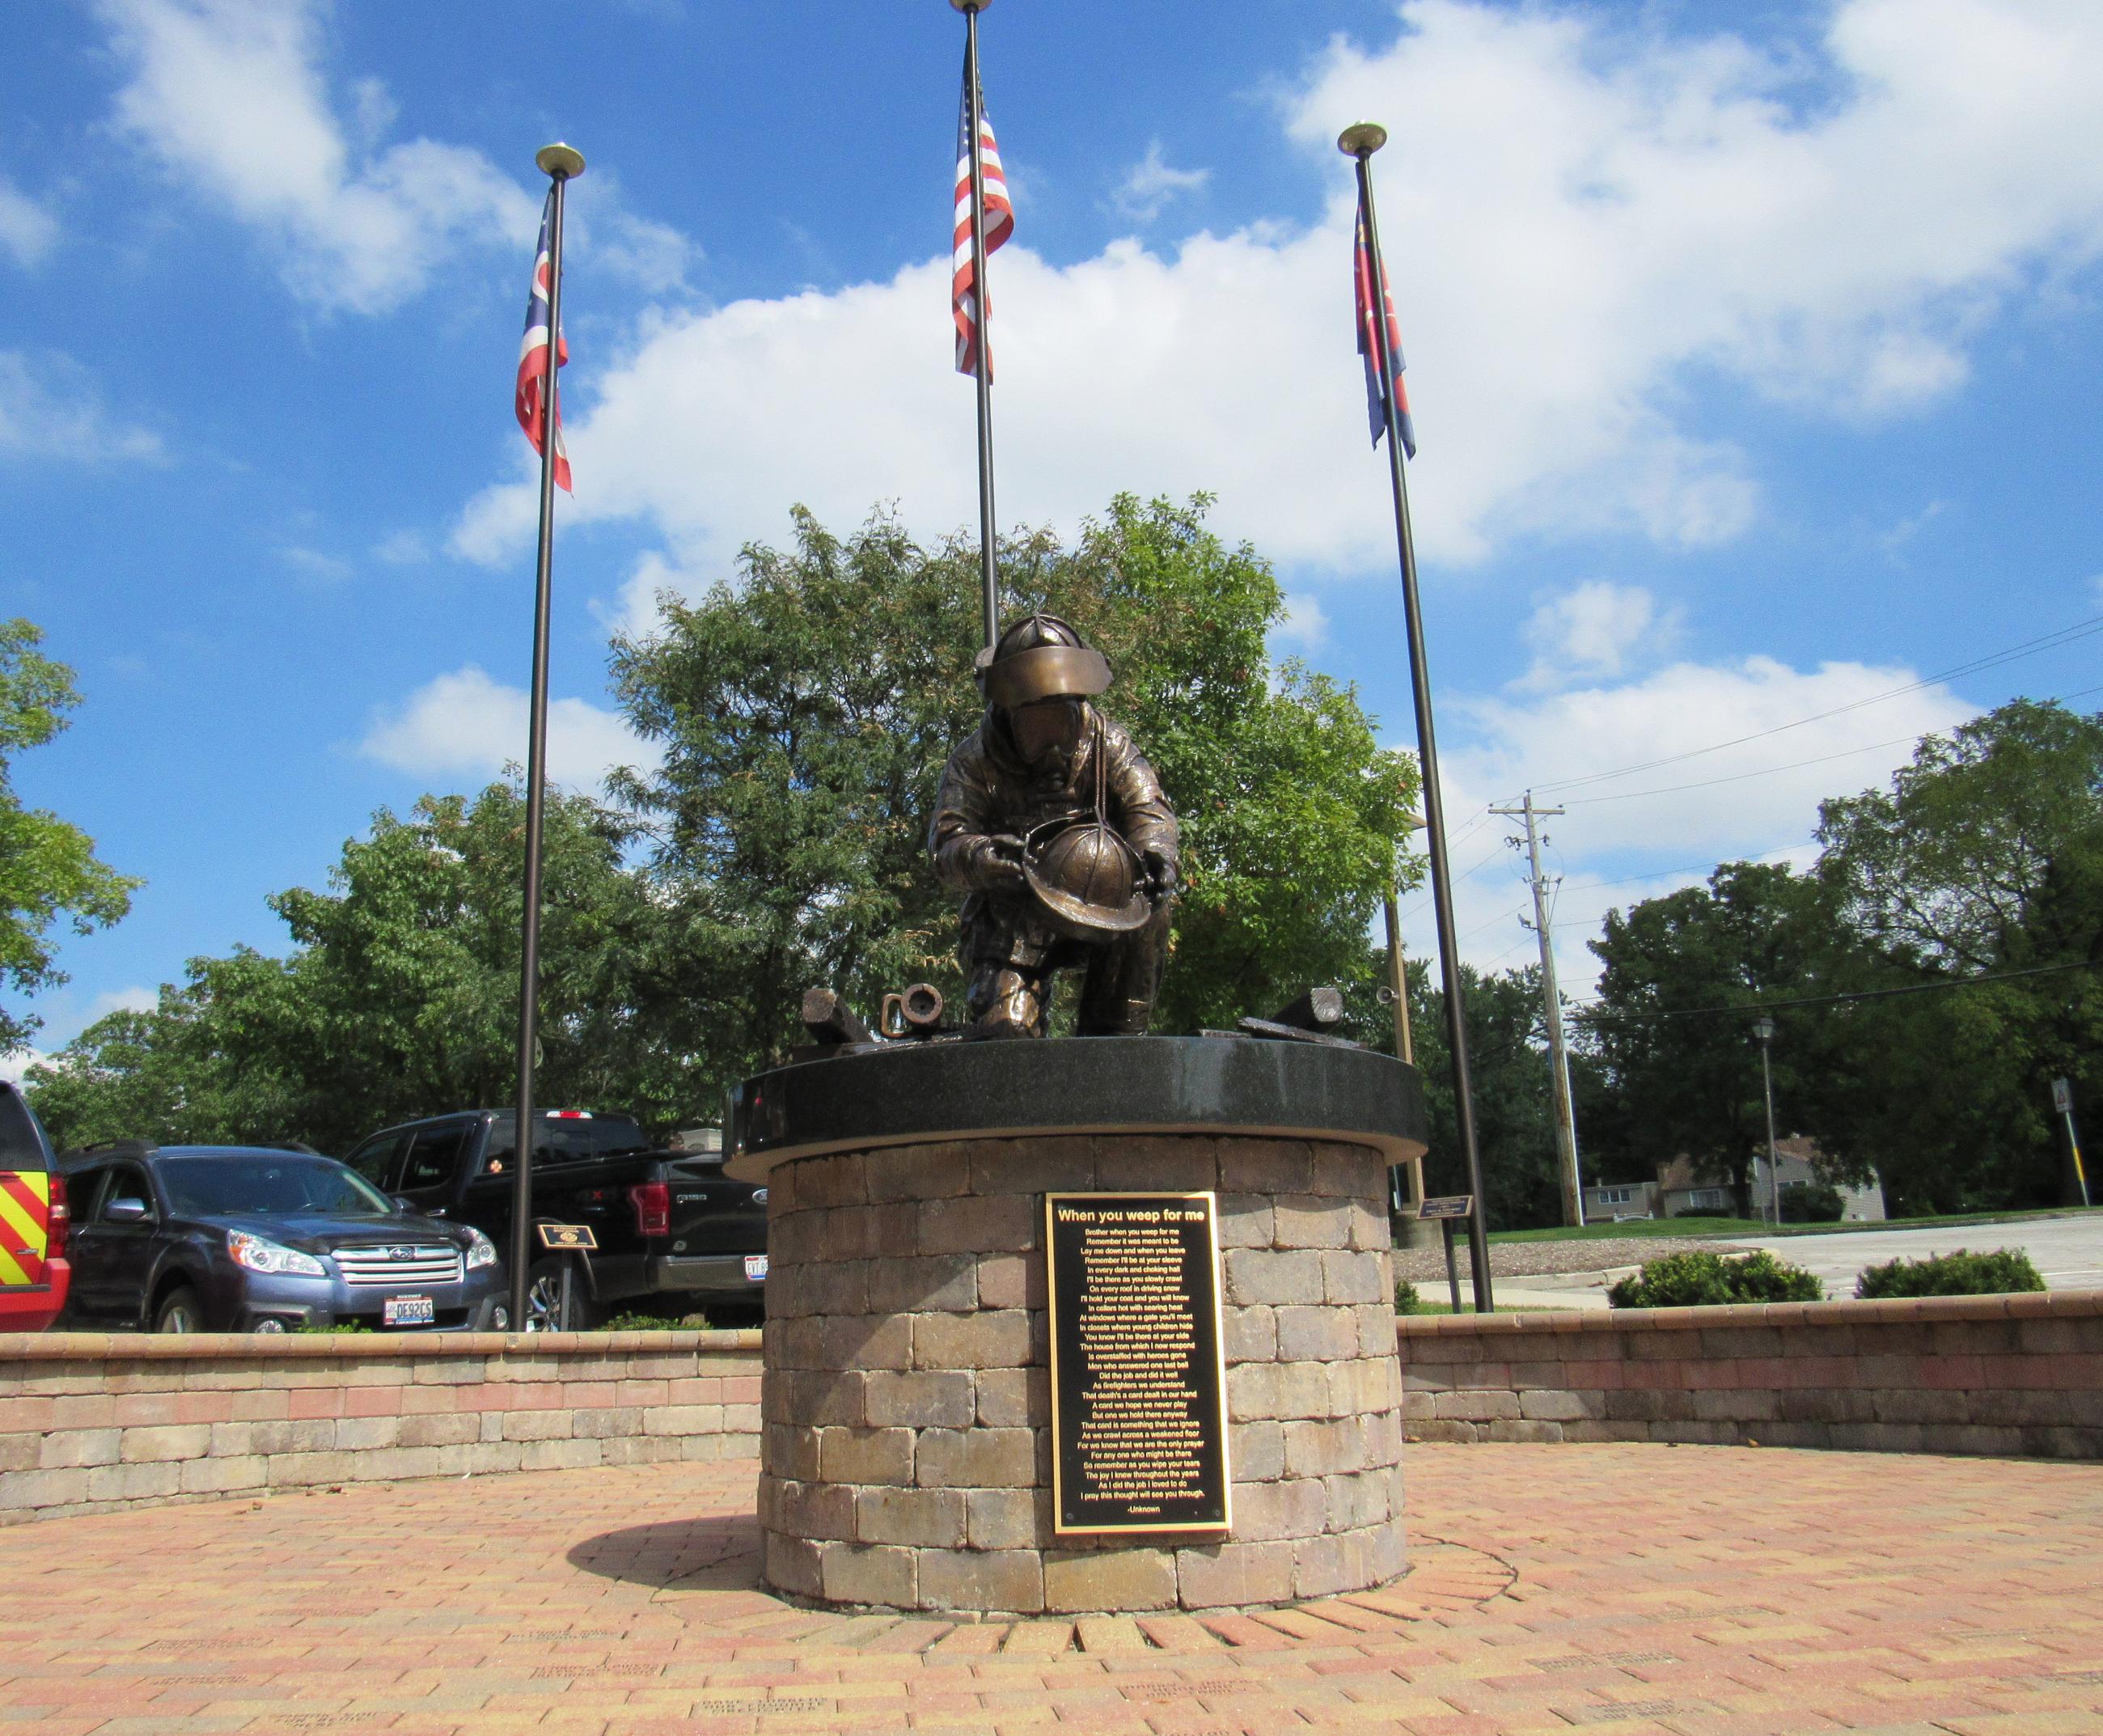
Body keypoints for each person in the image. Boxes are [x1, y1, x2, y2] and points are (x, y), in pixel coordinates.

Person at [929, 613, 1178, 1038]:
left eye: (1059, 720)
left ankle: (1115, 1047)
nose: (1052, 744)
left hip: (1102, 900)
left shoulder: (1108, 743)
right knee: (1005, 1036)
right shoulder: (974, 760)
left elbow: (1147, 807)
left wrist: (1156, 855)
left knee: (1151, 911)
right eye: (1036, 725)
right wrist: (984, 858)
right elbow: (946, 843)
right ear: (1009, 713)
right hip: (1014, 914)